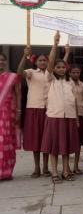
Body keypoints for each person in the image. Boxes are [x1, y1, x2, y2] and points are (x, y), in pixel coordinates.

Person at [41, 32, 79, 183]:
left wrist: (76, 118)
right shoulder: (50, 79)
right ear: (54, 69)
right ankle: (54, 173)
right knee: (54, 148)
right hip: (54, 117)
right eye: (58, 67)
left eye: (64, 67)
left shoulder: (70, 83)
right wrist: (55, 44)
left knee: (66, 148)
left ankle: (65, 171)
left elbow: (73, 102)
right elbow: (50, 64)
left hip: (68, 118)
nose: (62, 69)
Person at [17, 47, 50, 178]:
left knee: (46, 140)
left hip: (48, 109)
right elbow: (19, 73)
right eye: (40, 60)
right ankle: (37, 168)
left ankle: (46, 168)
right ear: (36, 62)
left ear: (48, 62)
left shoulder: (50, 73)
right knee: (36, 140)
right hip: (33, 108)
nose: (42, 62)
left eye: (45, 60)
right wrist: (24, 56)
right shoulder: (31, 72)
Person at [0, 53, 20, 180]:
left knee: (6, 141)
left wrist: (19, 112)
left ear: (6, 61)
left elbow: (18, 95)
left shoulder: (12, 77)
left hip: (7, 114)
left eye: (2, 60)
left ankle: (6, 172)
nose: (0, 62)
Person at [70, 64, 83, 175]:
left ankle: (76, 166)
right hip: (70, 116)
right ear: (70, 73)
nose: (76, 74)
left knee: (78, 143)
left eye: (78, 72)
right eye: (73, 72)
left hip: (81, 115)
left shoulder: (82, 85)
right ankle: (67, 167)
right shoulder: (67, 84)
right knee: (69, 142)